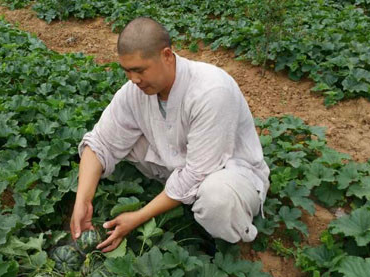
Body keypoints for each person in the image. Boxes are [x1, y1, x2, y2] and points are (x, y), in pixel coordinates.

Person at [70, 17, 270, 252]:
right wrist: (82, 200)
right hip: (178, 166)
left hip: (226, 173)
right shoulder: (135, 91)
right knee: (113, 141)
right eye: (127, 71)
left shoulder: (211, 91)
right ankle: (173, 196)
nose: (133, 79)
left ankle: (235, 248)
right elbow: (100, 143)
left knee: (217, 199)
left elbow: (196, 173)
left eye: (140, 70)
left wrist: (139, 217)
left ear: (166, 55)